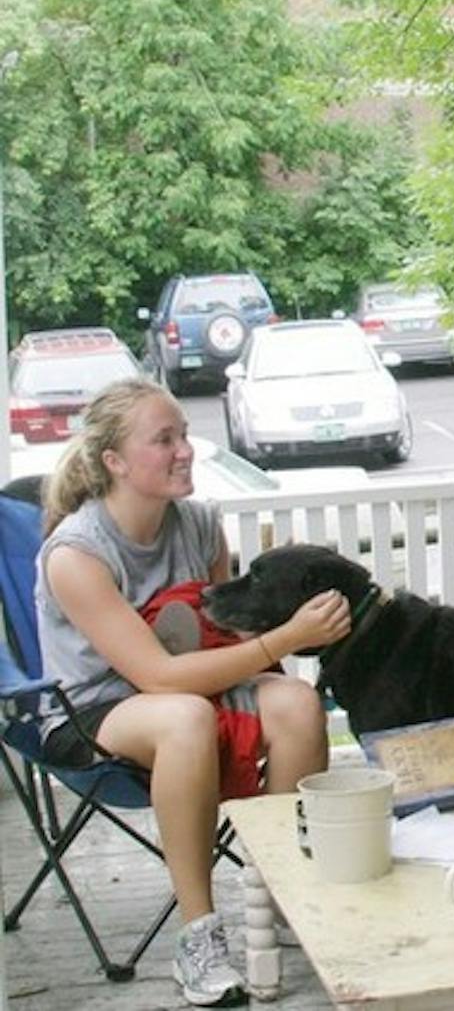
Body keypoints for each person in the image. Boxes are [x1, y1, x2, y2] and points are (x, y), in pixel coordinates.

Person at [35, 379, 351, 1008]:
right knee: (182, 717)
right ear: (115, 463)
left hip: (193, 686)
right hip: (94, 707)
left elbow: (221, 635)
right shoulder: (77, 553)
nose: (185, 450)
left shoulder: (201, 525)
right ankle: (198, 937)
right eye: (164, 439)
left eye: (184, 434)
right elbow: (156, 677)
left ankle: (282, 892)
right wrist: (285, 638)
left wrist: (294, 615)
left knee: (295, 702)